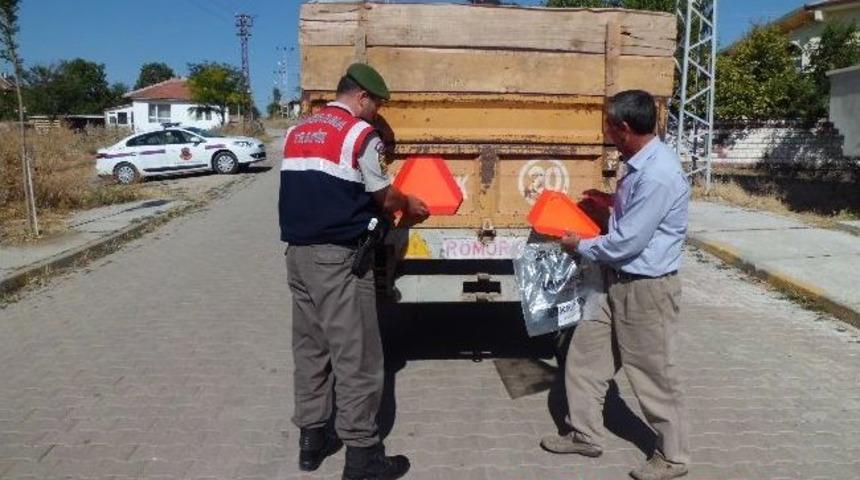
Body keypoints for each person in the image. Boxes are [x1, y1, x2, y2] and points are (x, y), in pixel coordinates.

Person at [279, 63, 429, 480]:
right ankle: (363, 457)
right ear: (362, 97)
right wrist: (409, 204)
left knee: (310, 348)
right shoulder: (359, 135)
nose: (377, 113)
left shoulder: (298, 132)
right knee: (357, 357)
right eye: (377, 104)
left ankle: (312, 440)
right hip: (338, 260)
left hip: (298, 257)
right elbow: (382, 195)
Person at [540, 90, 691, 480]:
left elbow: (628, 242)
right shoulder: (639, 163)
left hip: (645, 289)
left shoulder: (658, 173)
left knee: (654, 374)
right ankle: (584, 434)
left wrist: (578, 244)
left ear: (623, 129)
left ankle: (672, 457)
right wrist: (609, 202)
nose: (605, 132)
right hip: (614, 282)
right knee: (585, 359)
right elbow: (635, 220)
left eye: (608, 125)